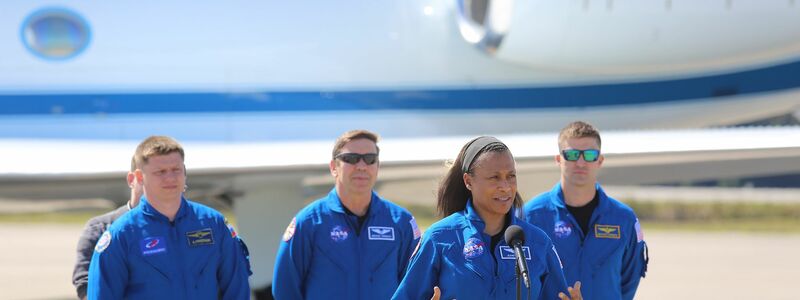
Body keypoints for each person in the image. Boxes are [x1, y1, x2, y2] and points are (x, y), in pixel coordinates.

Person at [393, 136, 581, 300]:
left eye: (511, 176)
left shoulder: (538, 242)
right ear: (468, 181)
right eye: (494, 177)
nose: (505, 187)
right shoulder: (439, 238)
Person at [87, 136, 251, 299]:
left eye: (176, 170)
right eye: (160, 172)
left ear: (184, 172)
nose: (170, 178)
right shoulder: (122, 235)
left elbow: (237, 288)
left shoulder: (213, 223)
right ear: (139, 177)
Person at [272, 129, 421, 300]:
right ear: (334, 167)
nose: (361, 166)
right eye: (351, 159)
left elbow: (415, 286)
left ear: (377, 167)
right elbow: (285, 290)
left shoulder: (401, 222)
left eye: (370, 159)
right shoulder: (308, 223)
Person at [523, 121, 648, 300]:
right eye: (572, 154)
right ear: (558, 159)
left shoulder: (624, 219)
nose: (580, 162)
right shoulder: (531, 216)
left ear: (600, 160)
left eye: (589, 155)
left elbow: (630, 279)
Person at [72, 156, 143, 300]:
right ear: (132, 180)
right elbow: (85, 283)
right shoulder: (100, 229)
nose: (165, 180)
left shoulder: (186, 226)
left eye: (174, 171)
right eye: (149, 176)